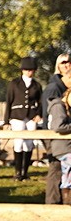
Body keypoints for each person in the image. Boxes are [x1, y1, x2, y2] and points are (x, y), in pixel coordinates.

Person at [4, 56, 43, 180]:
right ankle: (17, 172)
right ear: (22, 70)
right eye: (27, 69)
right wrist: (6, 120)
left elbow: (41, 102)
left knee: (29, 143)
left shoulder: (36, 85)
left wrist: (39, 114)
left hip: (31, 116)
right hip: (17, 115)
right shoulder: (14, 83)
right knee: (19, 142)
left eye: (31, 70)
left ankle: (25, 172)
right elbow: (9, 101)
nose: (29, 72)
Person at [46, 73, 71, 204]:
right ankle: (66, 202)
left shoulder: (65, 107)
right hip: (63, 147)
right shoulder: (58, 106)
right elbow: (58, 126)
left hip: (65, 146)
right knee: (66, 176)